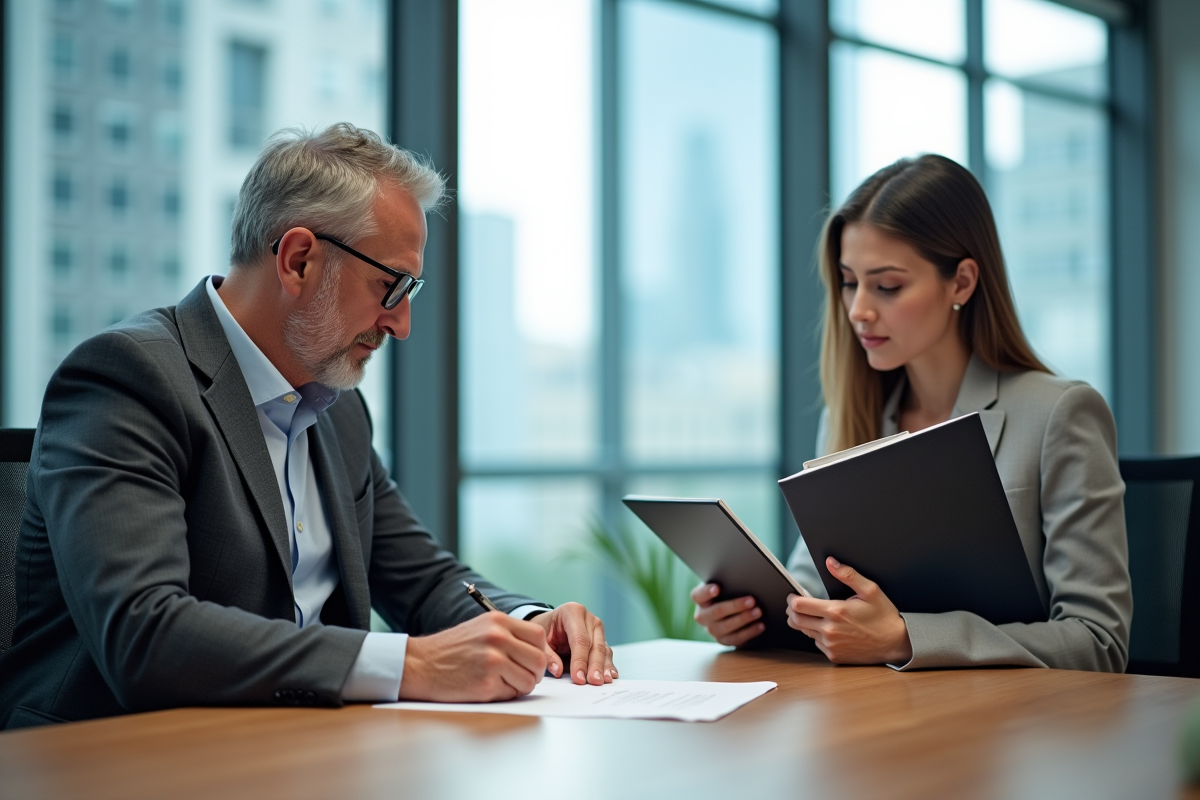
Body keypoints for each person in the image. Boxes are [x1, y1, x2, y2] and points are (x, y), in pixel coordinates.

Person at [0, 124, 615, 729]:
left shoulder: (338, 408)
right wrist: (411, 664)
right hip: (114, 759)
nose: (400, 324)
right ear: (298, 260)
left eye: (411, 290)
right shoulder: (129, 377)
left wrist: (529, 621)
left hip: (297, 750)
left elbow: (424, 581)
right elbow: (144, 632)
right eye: (389, 285)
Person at [692, 154, 1132, 672]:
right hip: (877, 723)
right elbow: (813, 587)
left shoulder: (1059, 413)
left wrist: (907, 639)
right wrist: (755, 618)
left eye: (888, 285)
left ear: (962, 283)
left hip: (1013, 732)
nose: (858, 310)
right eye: (849, 281)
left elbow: (1100, 643)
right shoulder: (848, 416)